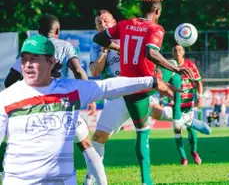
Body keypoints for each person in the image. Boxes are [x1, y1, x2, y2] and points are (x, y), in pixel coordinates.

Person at [0, 35, 176, 184]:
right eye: (24, 59)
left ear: (51, 62)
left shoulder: (71, 90)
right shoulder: (7, 98)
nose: (27, 65)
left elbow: (109, 86)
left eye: (34, 59)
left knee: (87, 145)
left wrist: (151, 81)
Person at [93, 0, 194, 185]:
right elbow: (151, 53)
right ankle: (180, 116)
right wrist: (175, 68)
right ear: (156, 11)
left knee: (142, 131)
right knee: (173, 68)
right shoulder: (155, 28)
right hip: (148, 83)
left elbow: (98, 38)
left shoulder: (123, 24)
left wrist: (118, 48)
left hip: (129, 88)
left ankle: (146, 181)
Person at [3, 14, 106, 184]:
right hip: (62, 106)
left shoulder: (29, 51)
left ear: (38, 31)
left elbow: (9, 81)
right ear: (57, 30)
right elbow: (78, 71)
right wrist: (91, 96)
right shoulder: (65, 47)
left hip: (33, 110)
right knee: (86, 146)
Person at [172, 44, 204, 166]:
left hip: (188, 103)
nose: (177, 51)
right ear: (173, 53)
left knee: (191, 128)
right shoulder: (169, 66)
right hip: (175, 105)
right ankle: (183, 158)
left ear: (183, 52)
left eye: (180, 49)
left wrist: (200, 97)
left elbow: (198, 82)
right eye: (175, 50)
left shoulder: (190, 65)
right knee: (177, 130)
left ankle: (194, 151)